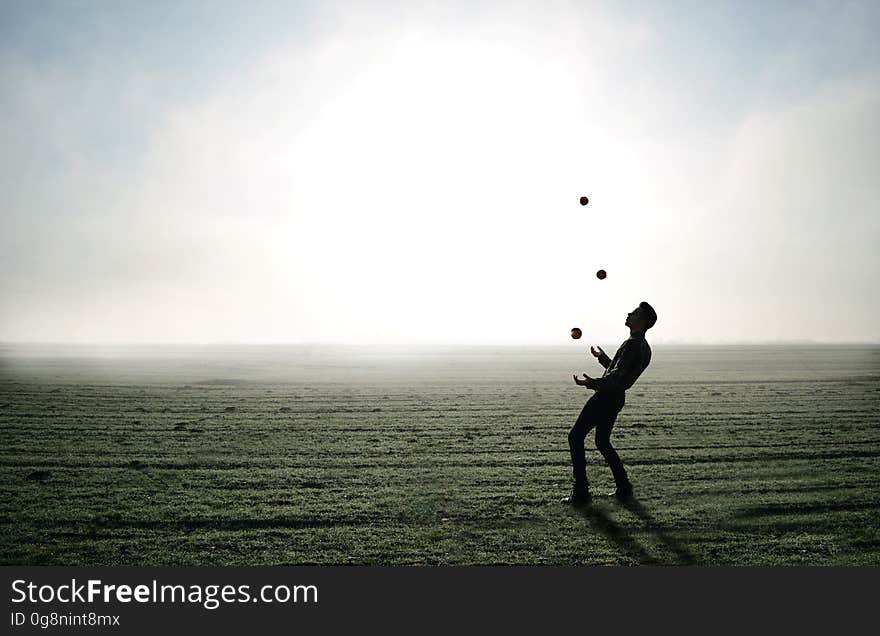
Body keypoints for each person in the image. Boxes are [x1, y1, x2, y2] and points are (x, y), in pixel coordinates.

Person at [562, 301, 657, 505]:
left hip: (606, 397)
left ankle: (581, 491)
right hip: (616, 398)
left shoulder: (633, 344)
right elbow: (620, 372)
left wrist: (591, 383)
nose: (629, 313)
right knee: (602, 442)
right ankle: (623, 487)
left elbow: (615, 378)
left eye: (634, 313)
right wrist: (602, 358)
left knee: (575, 437)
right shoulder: (643, 346)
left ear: (642, 321)